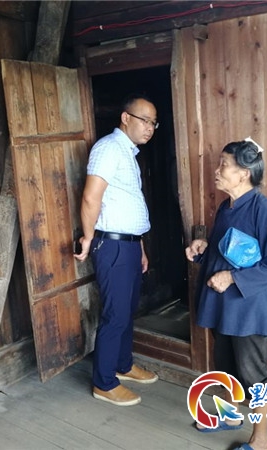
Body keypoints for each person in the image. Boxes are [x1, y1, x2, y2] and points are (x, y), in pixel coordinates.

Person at [185, 138, 267, 450]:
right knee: (225, 366)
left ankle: (262, 440)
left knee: (254, 373)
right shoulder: (226, 207)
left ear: (244, 173)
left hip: (249, 308)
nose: (217, 171)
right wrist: (203, 248)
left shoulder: (264, 211)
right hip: (223, 305)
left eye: (224, 165)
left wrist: (232, 277)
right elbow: (226, 251)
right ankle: (230, 417)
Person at [74, 93, 159, 406]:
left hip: (129, 244)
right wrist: (88, 237)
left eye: (153, 123)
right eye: (144, 120)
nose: (149, 127)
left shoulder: (128, 153)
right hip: (111, 245)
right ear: (125, 118)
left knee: (127, 310)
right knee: (116, 314)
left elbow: (127, 205)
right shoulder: (109, 148)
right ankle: (104, 382)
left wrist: (141, 248)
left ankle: (123, 365)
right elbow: (90, 197)